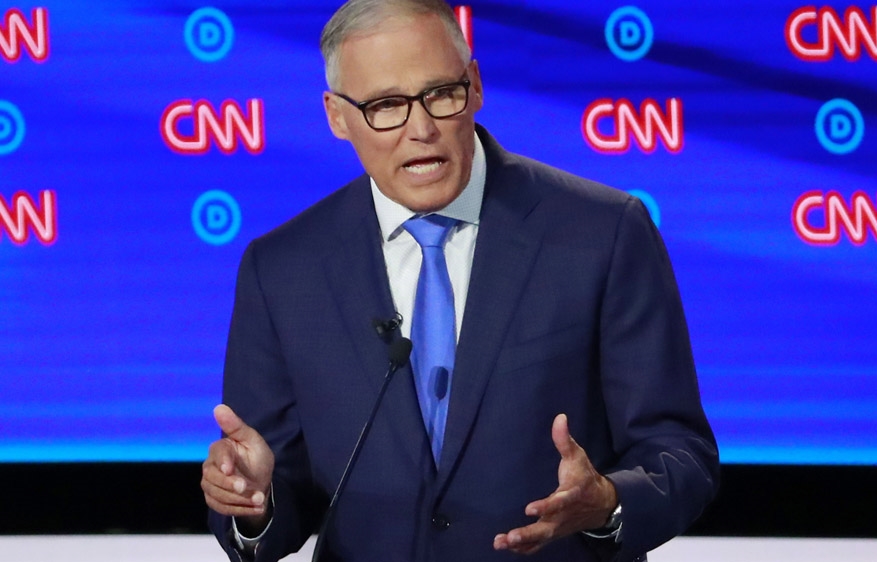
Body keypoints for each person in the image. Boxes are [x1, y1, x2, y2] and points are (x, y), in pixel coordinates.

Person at [201, 1, 719, 560]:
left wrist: (611, 502)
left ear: (473, 85)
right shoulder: (282, 270)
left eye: (440, 94)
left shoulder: (603, 233)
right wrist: (254, 504)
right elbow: (277, 490)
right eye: (385, 106)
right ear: (337, 116)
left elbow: (680, 451)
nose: (420, 129)